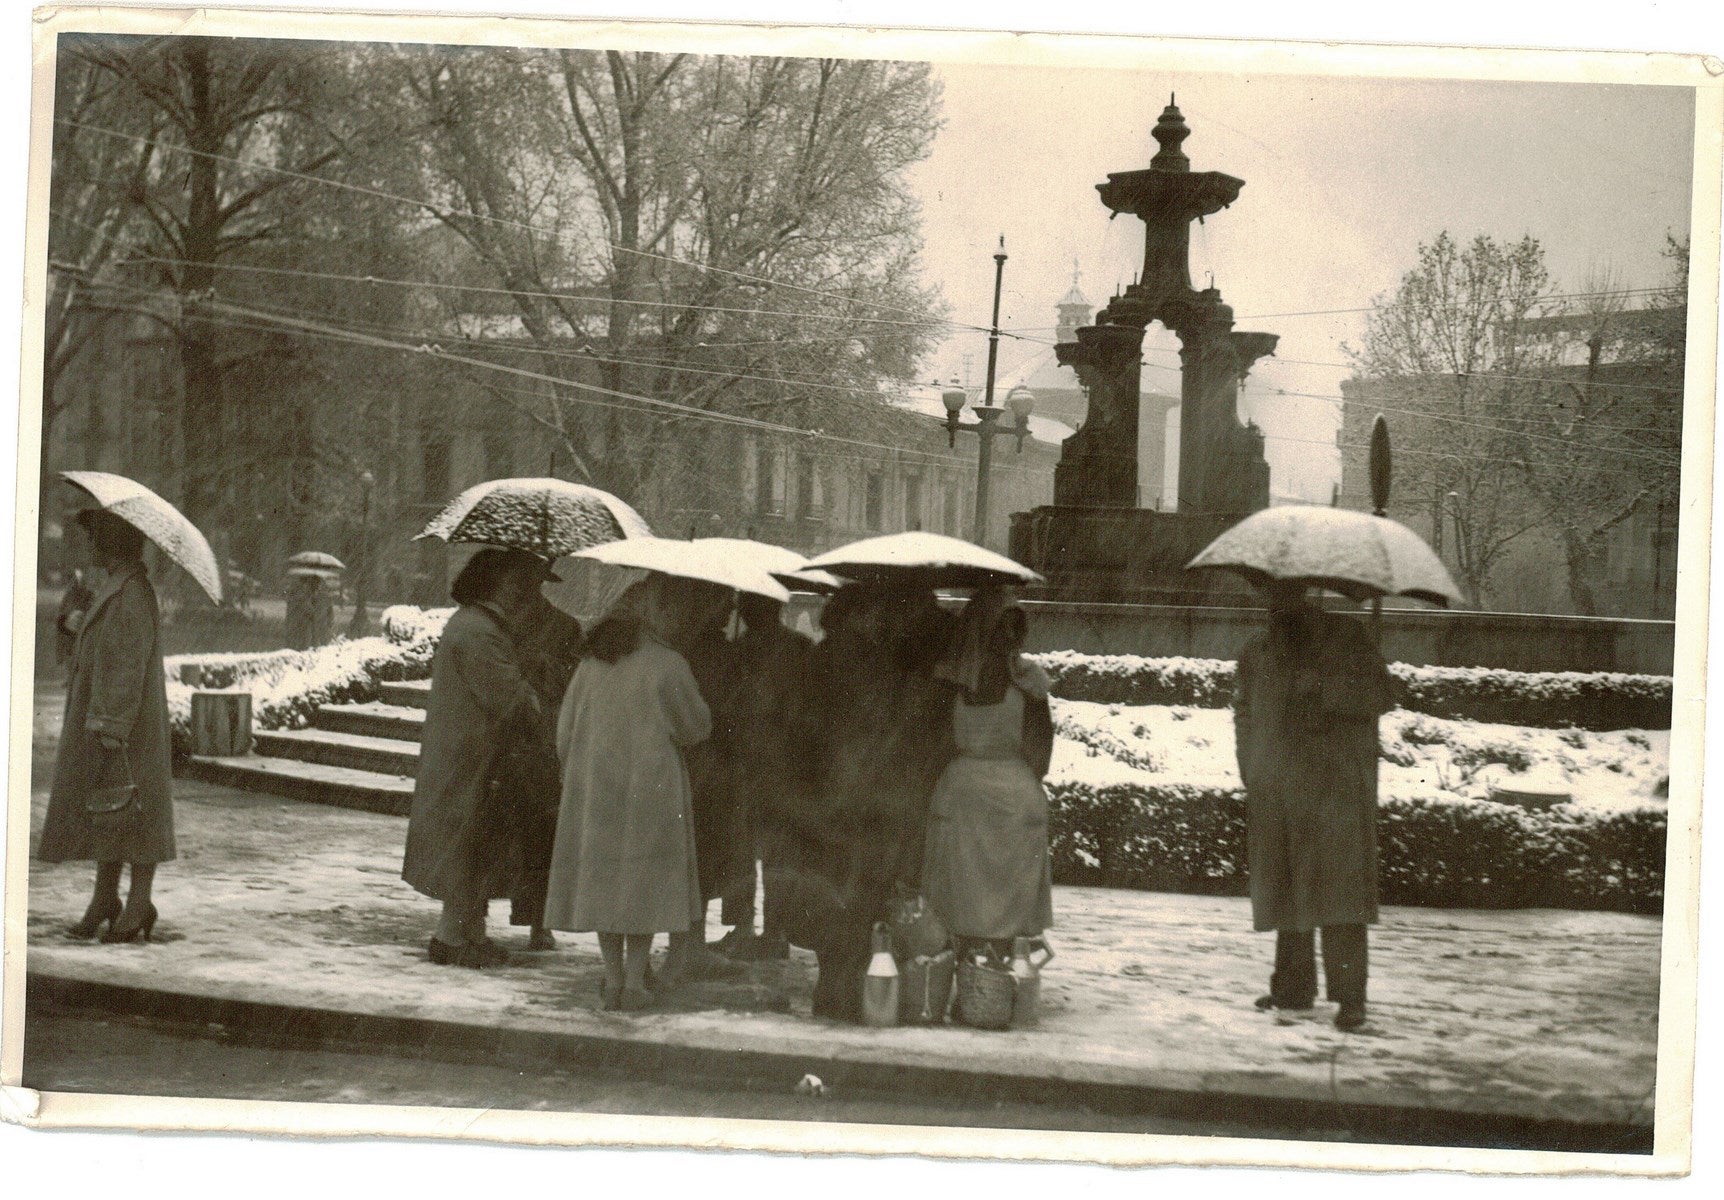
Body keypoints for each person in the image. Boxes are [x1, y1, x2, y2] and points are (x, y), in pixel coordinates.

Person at [768, 582, 955, 1021]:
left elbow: (798, 731)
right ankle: (858, 993)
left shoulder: (821, 661)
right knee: (866, 899)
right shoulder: (882, 666)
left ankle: (837, 991)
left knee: (839, 899)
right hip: (872, 801)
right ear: (860, 617)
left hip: (830, 801)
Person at [542, 575, 731, 1011]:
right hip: (652, 790)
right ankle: (635, 982)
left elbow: (564, 731)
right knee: (643, 883)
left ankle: (611, 979)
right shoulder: (668, 664)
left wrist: (575, 774)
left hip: (596, 789)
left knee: (604, 882)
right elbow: (696, 727)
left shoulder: (591, 664)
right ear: (654, 613)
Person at [1232, 580, 1397, 1032]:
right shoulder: (1258, 650)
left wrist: (1326, 691)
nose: (1276, 604)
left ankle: (1350, 999)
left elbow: (1383, 694)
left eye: (1285, 595)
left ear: (1306, 592)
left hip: (1335, 787)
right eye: (1269, 596)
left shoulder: (1346, 639)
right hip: (1279, 787)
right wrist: (1253, 765)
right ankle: (1292, 986)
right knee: (1288, 888)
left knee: (1339, 895)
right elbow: (1243, 709)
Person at [401, 548, 549, 969]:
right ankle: (450, 937)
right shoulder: (480, 632)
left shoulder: (475, 625)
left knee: (477, 847)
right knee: (467, 848)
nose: (521, 591)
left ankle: (470, 934)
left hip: (469, 757)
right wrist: (532, 688)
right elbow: (511, 698)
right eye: (514, 582)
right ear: (495, 585)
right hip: (472, 761)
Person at [37, 509, 176, 944]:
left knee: (135, 811)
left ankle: (138, 902)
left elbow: (126, 665)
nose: (91, 546)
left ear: (113, 543)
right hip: (105, 717)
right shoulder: (110, 589)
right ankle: (104, 899)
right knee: (108, 810)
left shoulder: (132, 592)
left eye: (97, 538)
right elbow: (89, 652)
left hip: (127, 723)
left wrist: (111, 725)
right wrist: (71, 619)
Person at [921, 589, 1055, 959]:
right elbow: (1041, 752)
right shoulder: (1028, 684)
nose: (1010, 640)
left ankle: (971, 966)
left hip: (964, 794)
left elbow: (939, 744)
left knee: (962, 896)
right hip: (1010, 797)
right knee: (1002, 901)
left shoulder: (952, 683)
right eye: (1003, 630)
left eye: (1014, 630)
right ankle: (993, 968)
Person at [497, 590, 585, 952]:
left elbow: (573, 683)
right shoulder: (504, 627)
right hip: (516, 740)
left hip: (542, 742)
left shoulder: (563, 627)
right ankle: (481, 918)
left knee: (540, 837)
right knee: (510, 837)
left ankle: (539, 922)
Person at [54, 567, 93, 669]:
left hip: (80, 627)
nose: (75, 584)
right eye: (74, 581)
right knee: (69, 650)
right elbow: (62, 613)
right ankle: (69, 674)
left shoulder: (88, 594)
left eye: (78, 581)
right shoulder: (68, 596)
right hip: (69, 628)